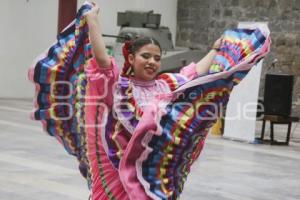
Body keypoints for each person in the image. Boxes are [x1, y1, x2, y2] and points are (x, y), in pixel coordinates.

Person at [28, 2, 270, 200]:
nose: (152, 62)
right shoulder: (118, 86)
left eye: (157, 57)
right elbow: (102, 62)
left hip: (148, 168)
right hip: (113, 164)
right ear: (131, 58)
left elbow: (195, 72)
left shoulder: (166, 84)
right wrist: (93, 21)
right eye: (146, 56)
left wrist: (216, 50)